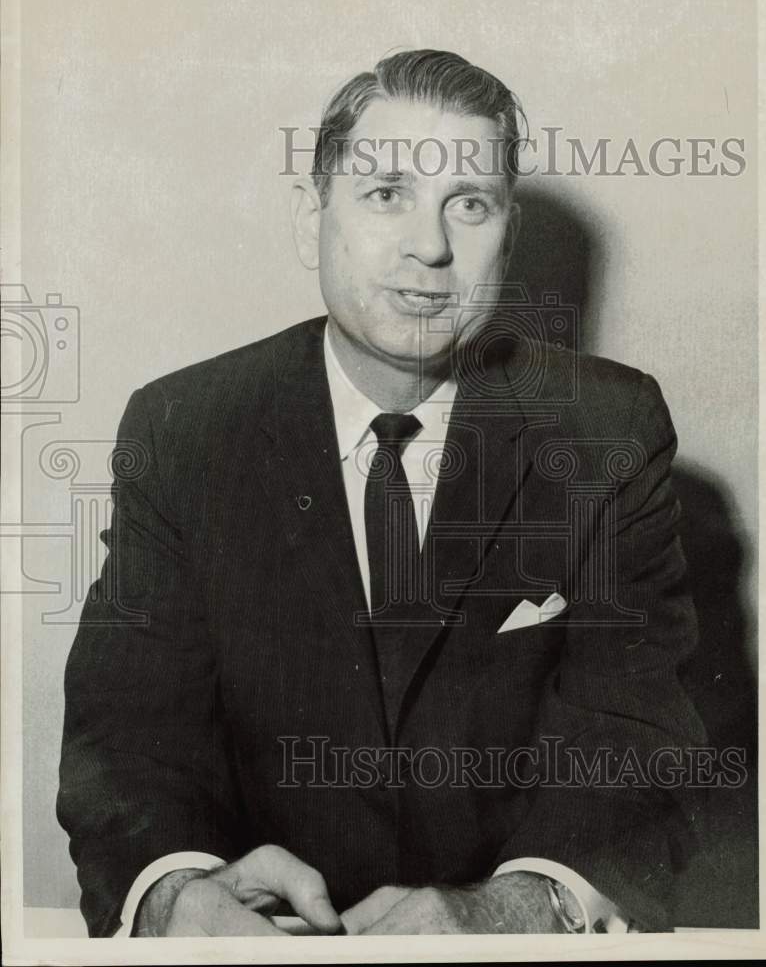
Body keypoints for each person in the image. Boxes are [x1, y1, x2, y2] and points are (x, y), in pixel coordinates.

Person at [57, 49, 705, 938]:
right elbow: (128, 733)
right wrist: (177, 891)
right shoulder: (183, 428)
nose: (430, 246)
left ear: (506, 238)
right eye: (386, 193)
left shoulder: (609, 429)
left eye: (468, 205)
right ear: (312, 220)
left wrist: (513, 908)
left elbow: (636, 735)